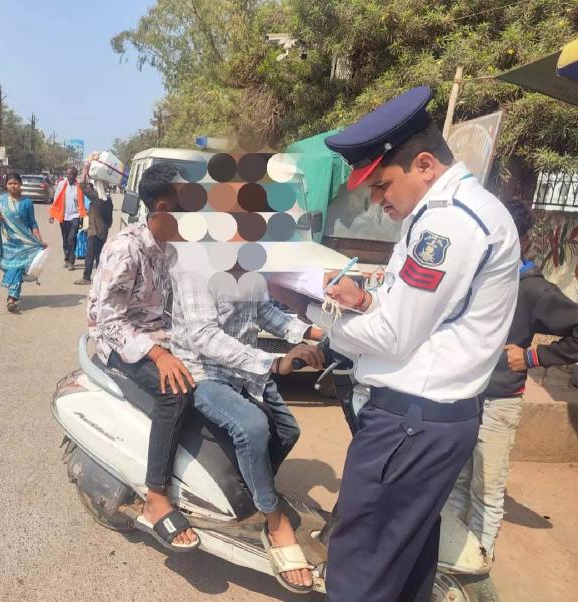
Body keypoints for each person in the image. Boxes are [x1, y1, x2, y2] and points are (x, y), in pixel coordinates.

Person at [270, 86, 520, 601]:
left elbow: (392, 335)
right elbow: (418, 309)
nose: (377, 199)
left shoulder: (448, 223)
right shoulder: (446, 212)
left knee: (359, 571)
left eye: (382, 184)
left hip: (410, 425)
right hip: (427, 423)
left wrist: (307, 309)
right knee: (403, 567)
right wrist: (364, 298)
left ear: (424, 164)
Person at [170, 269, 324, 593]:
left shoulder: (250, 265)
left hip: (243, 370)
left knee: (287, 430)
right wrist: (274, 363)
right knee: (253, 428)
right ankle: (273, 520)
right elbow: (204, 336)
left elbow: (265, 313)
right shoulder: (195, 268)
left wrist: (316, 332)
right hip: (203, 371)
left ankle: (252, 490)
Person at [444, 198, 578, 568]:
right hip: (460, 396)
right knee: (454, 481)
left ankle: (479, 566)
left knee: (486, 487)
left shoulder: (534, 290)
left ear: (521, 240)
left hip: (498, 402)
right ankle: (449, 557)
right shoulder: (477, 277)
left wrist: (534, 357)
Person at [86, 162, 198, 553]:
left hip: (163, 335)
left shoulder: (173, 247)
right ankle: (156, 496)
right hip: (121, 342)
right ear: (164, 208)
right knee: (176, 391)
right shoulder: (127, 248)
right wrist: (157, 354)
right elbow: (108, 319)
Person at [0, 172, 46, 313]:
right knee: (12, 269)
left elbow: (32, 223)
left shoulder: (27, 203)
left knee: (17, 268)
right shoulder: (0, 201)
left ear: (20, 185)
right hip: (7, 243)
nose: (13, 186)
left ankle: (12, 298)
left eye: (15, 183)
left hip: (23, 243)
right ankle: (13, 295)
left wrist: (39, 239)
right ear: (6, 185)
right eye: (10, 183)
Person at [74, 179, 112, 285]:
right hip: (103, 231)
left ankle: (86, 278)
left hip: (95, 230)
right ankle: (101, 278)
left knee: (90, 255)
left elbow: (81, 186)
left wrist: (85, 172)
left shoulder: (97, 197)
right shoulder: (108, 200)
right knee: (100, 256)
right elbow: (110, 221)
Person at [49, 166, 86, 270]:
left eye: (71, 174)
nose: (68, 176)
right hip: (64, 216)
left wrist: (82, 216)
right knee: (65, 239)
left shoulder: (79, 187)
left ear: (75, 176)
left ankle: (71, 261)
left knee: (71, 238)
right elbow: (56, 199)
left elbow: (82, 201)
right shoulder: (62, 185)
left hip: (75, 216)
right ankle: (66, 258)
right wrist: (52, 215)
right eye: (68, 174)